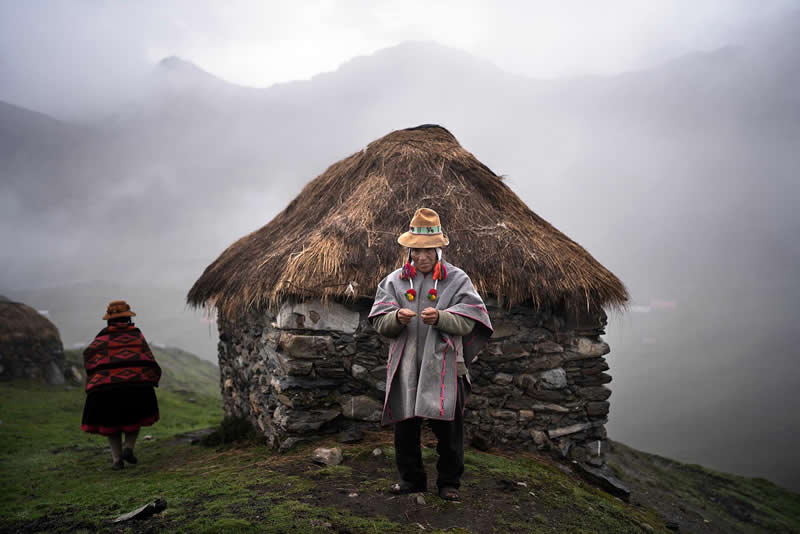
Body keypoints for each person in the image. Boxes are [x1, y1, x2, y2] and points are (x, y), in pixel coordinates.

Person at [369, 207, 493, 501]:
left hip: (447, 369)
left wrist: (441, 318)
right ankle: (411, 481)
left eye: (428, 251)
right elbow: (379, 323)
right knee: (405, 429)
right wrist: (396, 318)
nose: (422, 257)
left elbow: (470, 321)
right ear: (408, 251)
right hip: (407, 368)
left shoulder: (458, 280)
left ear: (438, 249)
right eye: (416, 251)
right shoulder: (393, 282)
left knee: (449, 430)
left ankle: (449, 483)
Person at [81, 300, 161, 470]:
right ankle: (128, 448)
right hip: (136, 387)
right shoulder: (136, 335)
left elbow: (88, 355)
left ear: (109, 320)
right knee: (135, 418)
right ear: (128, 319)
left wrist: (98, 374)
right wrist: (146, 375)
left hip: (106, 389)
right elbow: (147, 358)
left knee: (112, 424)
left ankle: (117, 460)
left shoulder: (101, 338)